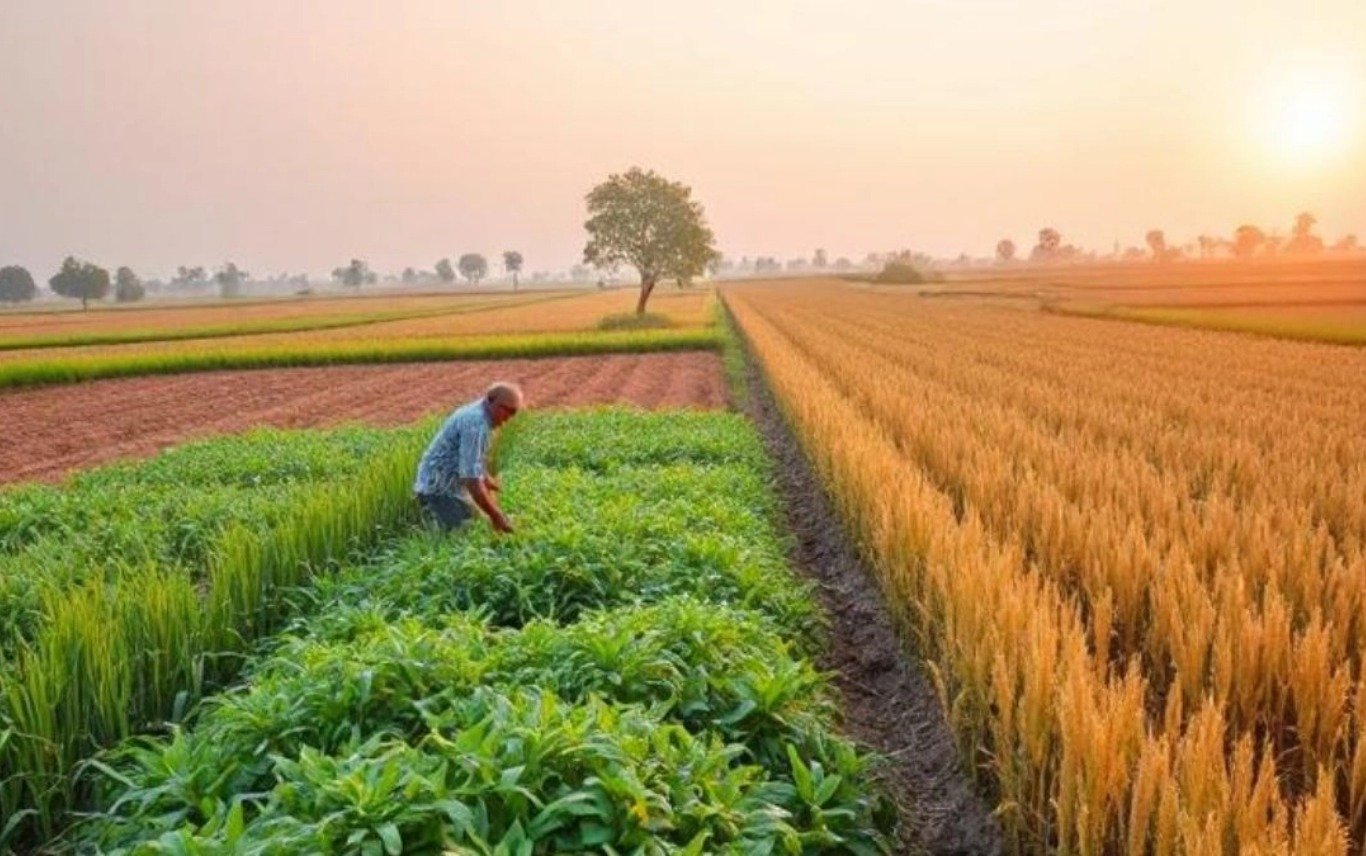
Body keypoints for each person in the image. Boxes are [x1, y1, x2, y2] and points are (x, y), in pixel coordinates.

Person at [413, 381, 522, 534]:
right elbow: (471, 479)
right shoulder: (475, 423)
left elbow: (473, 457)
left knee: (478, 522)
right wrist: (497, 516)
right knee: (465, 532)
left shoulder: (481, 415)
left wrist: (485, 477)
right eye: (506, 410)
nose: (507, 418)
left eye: (513, 413)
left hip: (451, 485)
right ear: (491, 400)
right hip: (438, 489)